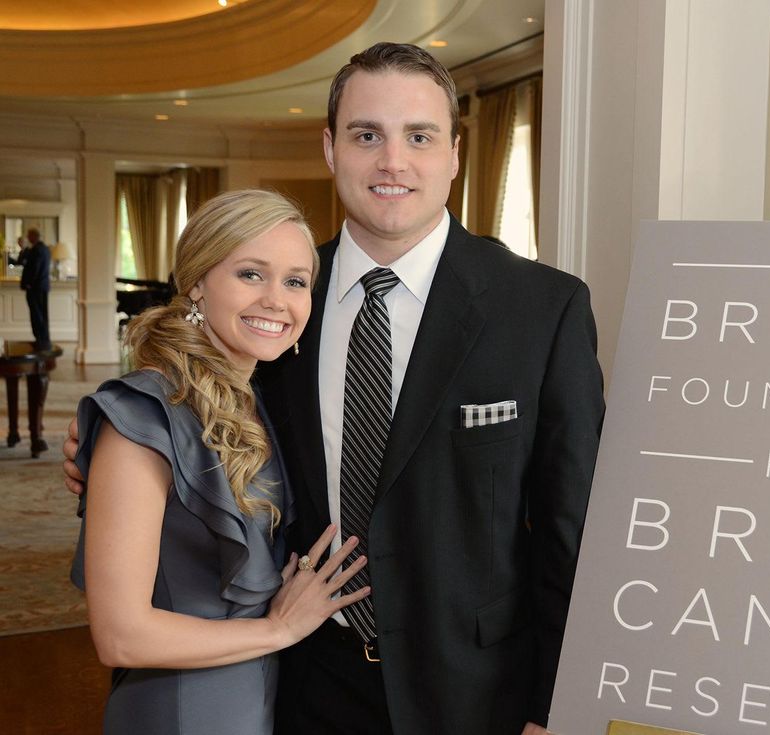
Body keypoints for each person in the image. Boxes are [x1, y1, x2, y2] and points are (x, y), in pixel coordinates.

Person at [67, 44, 604, 735]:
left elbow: (572, 529)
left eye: (419, 136)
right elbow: (191, 424)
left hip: (479, 695)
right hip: (301, 686)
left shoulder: (543, 308)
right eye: (366, 135)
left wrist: (554, 706)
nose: (393, 161)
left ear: (454, 153)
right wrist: (104, 446)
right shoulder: (281, 305)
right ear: (330, 148)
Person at [68, 189, 371, 734]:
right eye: (251, 274)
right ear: (197, 283)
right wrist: (279, 629)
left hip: (257, 695)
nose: (276, 300)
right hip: (180, 709)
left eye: (296, 281)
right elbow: (120, 636)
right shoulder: (143, 416)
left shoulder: (256, 399)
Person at [18, 228, 52, 349]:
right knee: (41, 314)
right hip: (41, 287)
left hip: (35, 288)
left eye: (29, 236)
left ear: (34, 236)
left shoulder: (37, 250)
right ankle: (42, 340)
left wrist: (29, 284)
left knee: (37, 315)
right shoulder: (44, 249)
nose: (28, 238)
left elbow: (34, 269)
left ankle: (41, 341)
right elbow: (21, 261)